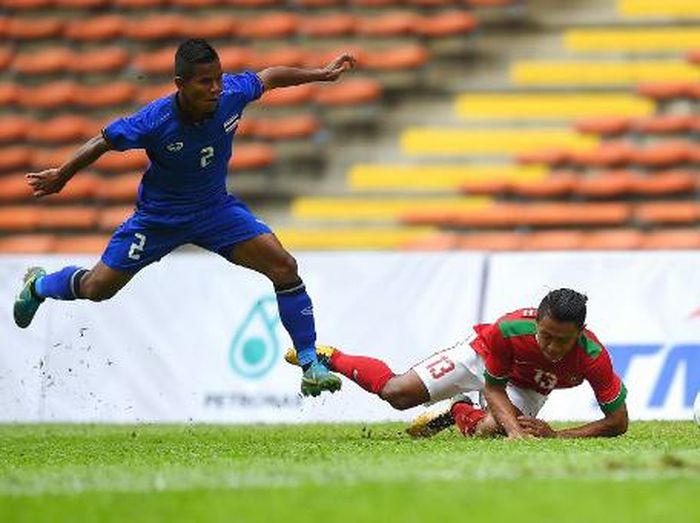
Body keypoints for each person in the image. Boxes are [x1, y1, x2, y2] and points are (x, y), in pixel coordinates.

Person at [13, 38, 356, 398]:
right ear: (180, 84)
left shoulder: (231, 94)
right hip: (158, 220)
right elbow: (103, 140)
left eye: (218, 78)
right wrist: (63, 174)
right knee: (97, 289)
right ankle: (38, 285)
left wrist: (321, 74)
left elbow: (269, 77)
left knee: (284, 266)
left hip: (214, 210)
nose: (215, 88)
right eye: (205, 82)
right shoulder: (154, 120)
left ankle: (310, 364)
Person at [285, 288, 628, 438]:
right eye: (545, 335)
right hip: (481, 358)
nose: (552, 346)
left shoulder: (593, 357)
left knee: (492, 431)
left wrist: (559, 437)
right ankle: (332, 356)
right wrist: (515, 430)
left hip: (527, 386)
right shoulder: (507, 329)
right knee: (396, 393)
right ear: (536, 322)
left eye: (562, 340)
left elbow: (618, 422)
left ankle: (459, 410)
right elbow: (493, 386)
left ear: (580, 333)